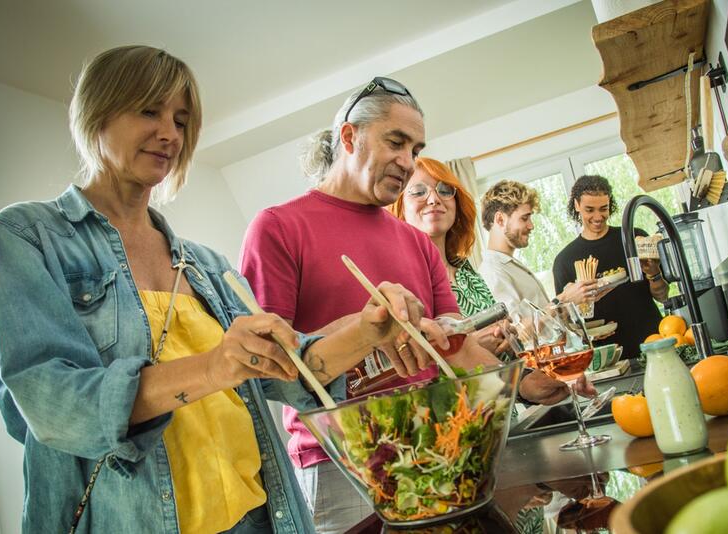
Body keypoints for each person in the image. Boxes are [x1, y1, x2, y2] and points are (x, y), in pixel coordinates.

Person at [0, 46, 420, 534]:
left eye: (182, 120)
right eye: (149, 110)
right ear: (96, 112)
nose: (169, 133)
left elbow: (285, 373)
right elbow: (52, 403)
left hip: (258, 516)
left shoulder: (206, 265)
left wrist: (366, 330)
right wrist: (215, 365)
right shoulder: (28, 235)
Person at [239, 77, 577, 532]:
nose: (407, 162)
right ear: (349, 137)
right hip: (342, 460)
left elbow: (455, 347)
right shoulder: (278, 227)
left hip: (439, 440)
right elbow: (268, 369)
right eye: (395, 142)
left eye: (415, 149)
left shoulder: (415, 243)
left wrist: (525, 385)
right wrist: (363, 329)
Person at [388, 157, 507, 356]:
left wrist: (507, 332)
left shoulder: (466, 270)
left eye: (444, 190)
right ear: (399, 208)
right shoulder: (399, 282)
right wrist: (470, 348)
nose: (434, 199)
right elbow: (406, 363)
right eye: (418, 191)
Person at [552, 175, 669, 358]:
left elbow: (663, 296)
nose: (598, 217)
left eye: (603, 209)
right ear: (577, 205)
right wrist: (583, 333)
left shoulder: (634, 238)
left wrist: (653, 274)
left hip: (653, 342)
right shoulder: (565, 260)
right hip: (609, 355)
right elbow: (565, 320)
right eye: (589, 210)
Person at [478, 180, 597, 313]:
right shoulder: (492, 272)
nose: (531, 225)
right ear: (500, 220)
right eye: (524, 218)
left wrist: (575, 297)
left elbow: (542, 325)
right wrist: (565, 299)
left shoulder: (509, 265)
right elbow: (519, 330)